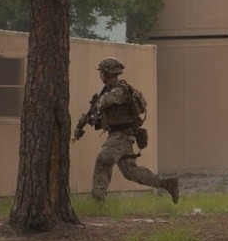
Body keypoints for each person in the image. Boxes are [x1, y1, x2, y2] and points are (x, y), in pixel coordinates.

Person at [74, 57, 179, 204]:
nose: (100, 76)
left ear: (107, 73)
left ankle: (98, 201)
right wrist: (86, 121)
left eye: (101, 73)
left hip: (121, 135)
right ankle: (167, 184)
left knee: (104, 159)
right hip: (121, 136)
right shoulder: (109, 90)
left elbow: (104, 103)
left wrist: (94, 109)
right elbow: (102, 113)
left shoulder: (119, 90)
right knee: (130, 172)